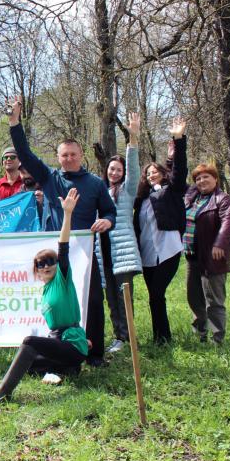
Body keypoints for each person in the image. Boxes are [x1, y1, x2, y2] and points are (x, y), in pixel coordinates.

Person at [7, 96, 115, 366]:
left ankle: (95, 353)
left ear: (81, 156)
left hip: (85, 253)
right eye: (64, 155)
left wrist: (108, 222)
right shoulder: (49, 177)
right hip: (55, 254)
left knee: (91, 300)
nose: (68, 159)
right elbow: (26, 155)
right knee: (58, 303)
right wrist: (15, 122)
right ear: (58, 157)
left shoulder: (95, 183)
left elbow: (110, 211)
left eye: (73, 155)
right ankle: (58, 344)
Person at [0, 189, 88, 400]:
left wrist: (67, 215)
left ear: (57, 266)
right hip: (59, 343)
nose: (46, 266)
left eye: (51, 261)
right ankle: (67, 370)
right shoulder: (45, 291)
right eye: (41, 264)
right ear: (37, 271)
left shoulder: (62, 280)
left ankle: (2, 392)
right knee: (27, 362)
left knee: (29, 341)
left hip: (72, 344)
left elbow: (64, 247)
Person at [133, 117, 188, 345]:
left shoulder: (171, 191)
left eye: (156, 172)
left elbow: (180, 169)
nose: (151, 175)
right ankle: (160, 338)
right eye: (148, 173)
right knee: (155, 298)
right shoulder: (143, 199)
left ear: (164, 174)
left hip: (168, 250)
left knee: (157, 293)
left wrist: (178, 140)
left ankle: (163, 339)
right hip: (147, 254)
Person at [101, 113, 143, 354]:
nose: (115, 172)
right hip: (104, 252)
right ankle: (118, 336)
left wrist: (132, 137)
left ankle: (128, 338)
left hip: (123, 252)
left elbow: (134, 167)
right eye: (111, 169)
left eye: (118, 169)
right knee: (111, 298)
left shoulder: (127, 190)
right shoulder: (102, 190)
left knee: (123, 296)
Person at [183, 164, 230, 344]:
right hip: (192, 256)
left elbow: (228, 222)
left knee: (214, 300)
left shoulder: (222, 199)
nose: (201, 181)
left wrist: (219, 243)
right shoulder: (193, 197)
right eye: (198, 178)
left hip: (213, 257)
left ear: (215, 179)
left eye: (206, 177)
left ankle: (217, 339)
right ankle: (200, 333)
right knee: (194, 296)